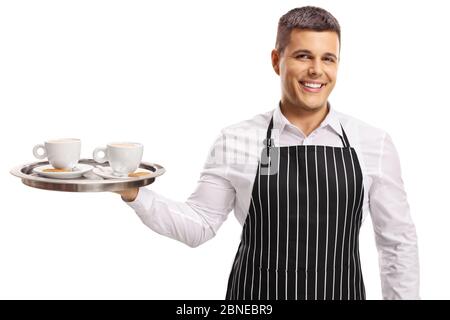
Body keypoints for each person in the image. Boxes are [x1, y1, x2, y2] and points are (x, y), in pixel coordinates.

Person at [117, 6, 419, 300]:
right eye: (303, 56)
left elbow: (397, 244)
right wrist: (134, 193)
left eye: (328, 59)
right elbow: (200, 225)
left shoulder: (372, 143)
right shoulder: (237, 139)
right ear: (277, 61)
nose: (317, 70)